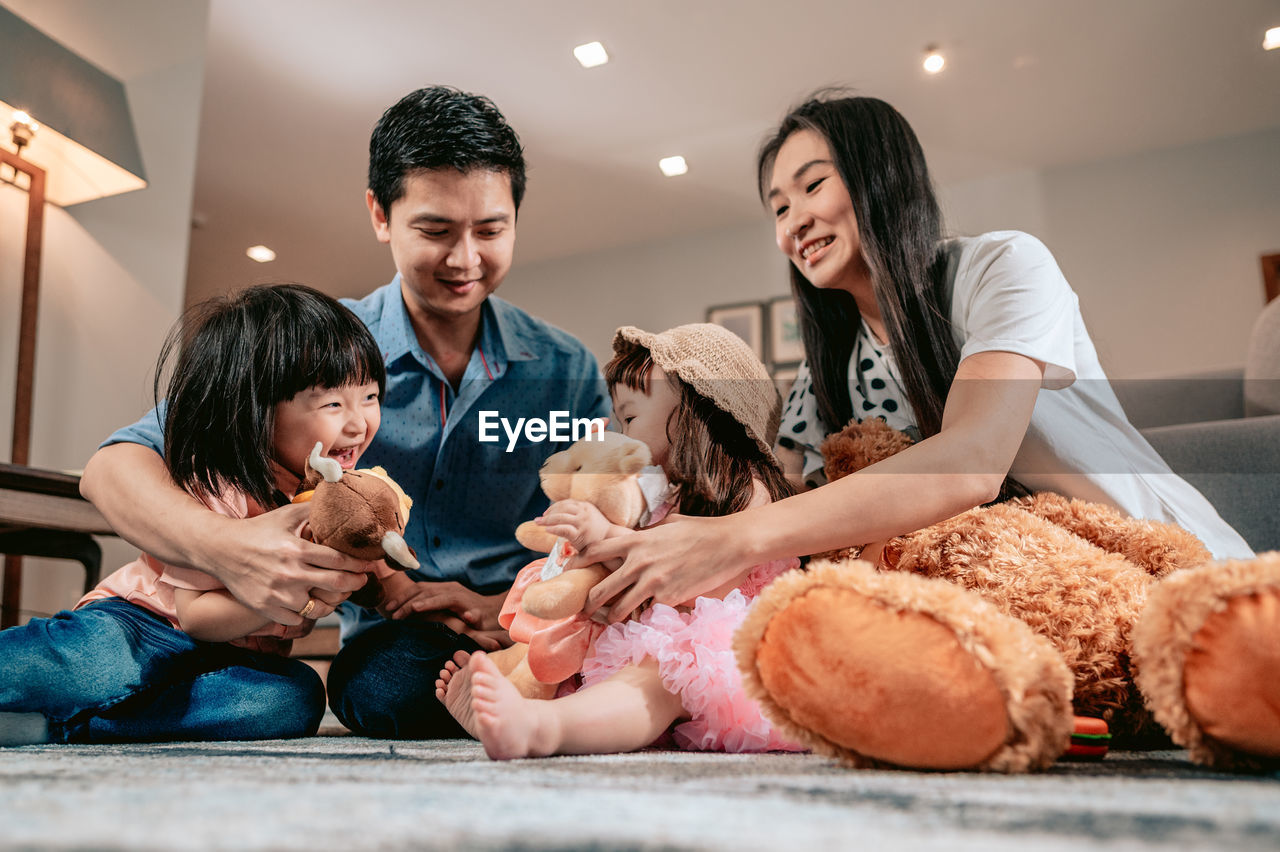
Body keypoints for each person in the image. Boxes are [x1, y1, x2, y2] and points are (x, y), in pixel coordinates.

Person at [574, 92, 1253, 624]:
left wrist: (741, 539)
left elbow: (973, 460)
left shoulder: (1003, 267)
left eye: (813, 187)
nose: (793, 223)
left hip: (1163, 568)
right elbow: (793, 493)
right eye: (778, 208)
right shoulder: (825, 371)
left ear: (881, 176)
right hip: (991, 598)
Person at [78, 87, 608, 739]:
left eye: (491, 230)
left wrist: (502, 604)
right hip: (401, 644)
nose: (466, 259)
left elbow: (604, 521)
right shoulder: (316, 349)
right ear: (380, 215)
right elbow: (113, 466)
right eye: (436, 230)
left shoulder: (567, 369)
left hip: (528, 618)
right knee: (390, 687)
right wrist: (230, 548)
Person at [0, 284, 381, 744]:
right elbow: (197, 617)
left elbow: (369, 564)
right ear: (257, 410)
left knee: (292, 698)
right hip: (145, 626)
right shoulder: (219, 483)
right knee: (94, 666)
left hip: (232, 659)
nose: (359, 423)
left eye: (370, 397)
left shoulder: (323, 496)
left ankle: (60, 726)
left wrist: (390, 585)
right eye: (333, 404)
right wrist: (294, 594)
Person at [436, 324, 806, 760]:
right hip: (643, 633)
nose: (621, 433)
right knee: (576, 659)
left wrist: (610, 540)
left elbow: (708, 592)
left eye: (629, 417)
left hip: (719, 648)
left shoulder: (749, 490)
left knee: (660, 674)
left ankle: (542, 729)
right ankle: (517, 696)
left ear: (696, 407)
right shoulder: (657, 496)